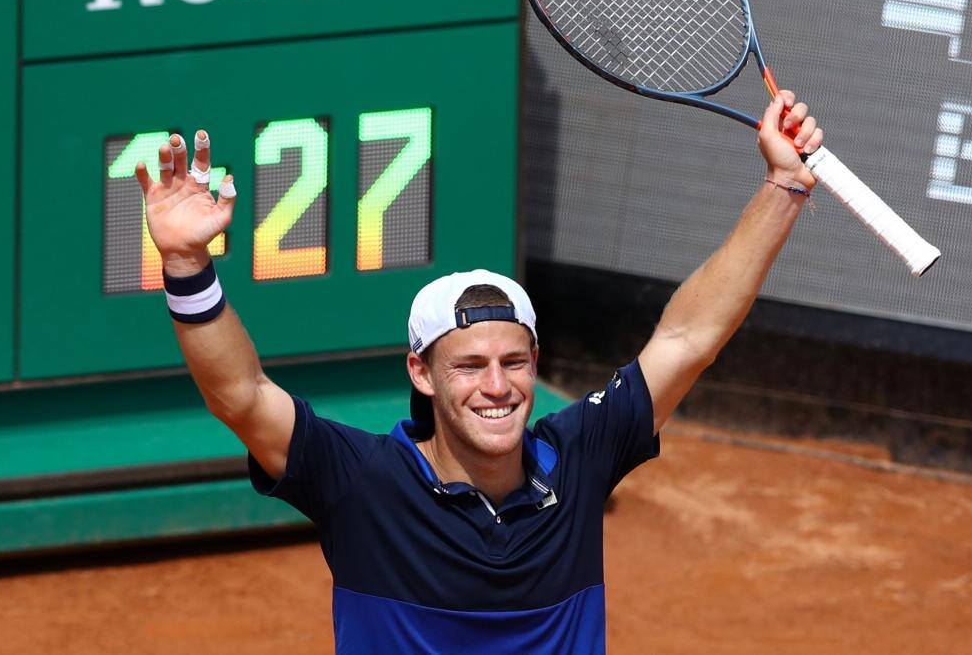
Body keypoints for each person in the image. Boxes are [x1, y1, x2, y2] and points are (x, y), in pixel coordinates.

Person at [134, 91, 823, 653]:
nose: (498, 387)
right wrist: (189, 267)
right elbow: (240, 396)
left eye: (513, 361)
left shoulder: (578, 456)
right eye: (469, 366)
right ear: (422, 373)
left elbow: (690, 336)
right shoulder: (362, 482)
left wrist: (784, 185)